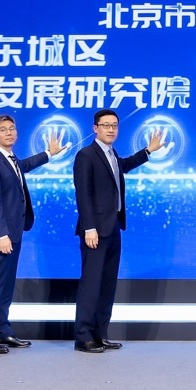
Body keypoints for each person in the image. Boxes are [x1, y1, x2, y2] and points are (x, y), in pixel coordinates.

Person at [71, 109, 166, 353]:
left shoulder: (112, 154)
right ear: (95, 128)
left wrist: (148, 151)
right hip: (94, 230)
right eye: (106, 125)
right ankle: (83, 337)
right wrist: (89, 227)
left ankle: (100, 334)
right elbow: (83, 194)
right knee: (91, 284)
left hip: (113, 226)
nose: (111, 129)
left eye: (114, 125)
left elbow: (124, 165)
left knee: (107, 284)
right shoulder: (86, 155)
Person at [0, 114, 63, 354]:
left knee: (6, 287)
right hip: (1, 236)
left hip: (14, 233)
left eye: (12, 128)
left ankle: (2, 330)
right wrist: (2, 235)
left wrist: (49, 153)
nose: (9, 133)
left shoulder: (11, 160)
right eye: (3, 129)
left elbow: (24, 166)